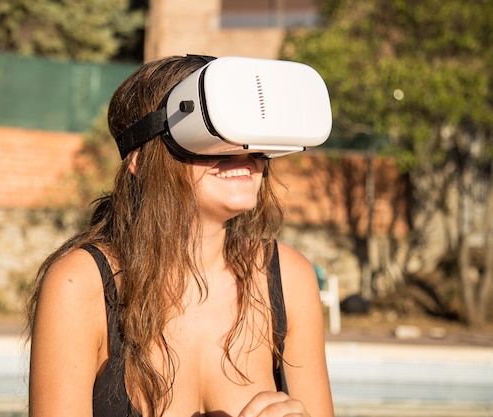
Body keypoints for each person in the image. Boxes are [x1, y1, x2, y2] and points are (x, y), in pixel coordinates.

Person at [26, 54, 334, 417]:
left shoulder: (287, 277)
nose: (242, 153)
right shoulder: (81, 285)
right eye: (212, 134)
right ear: (139, 159)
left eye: (248, 136)